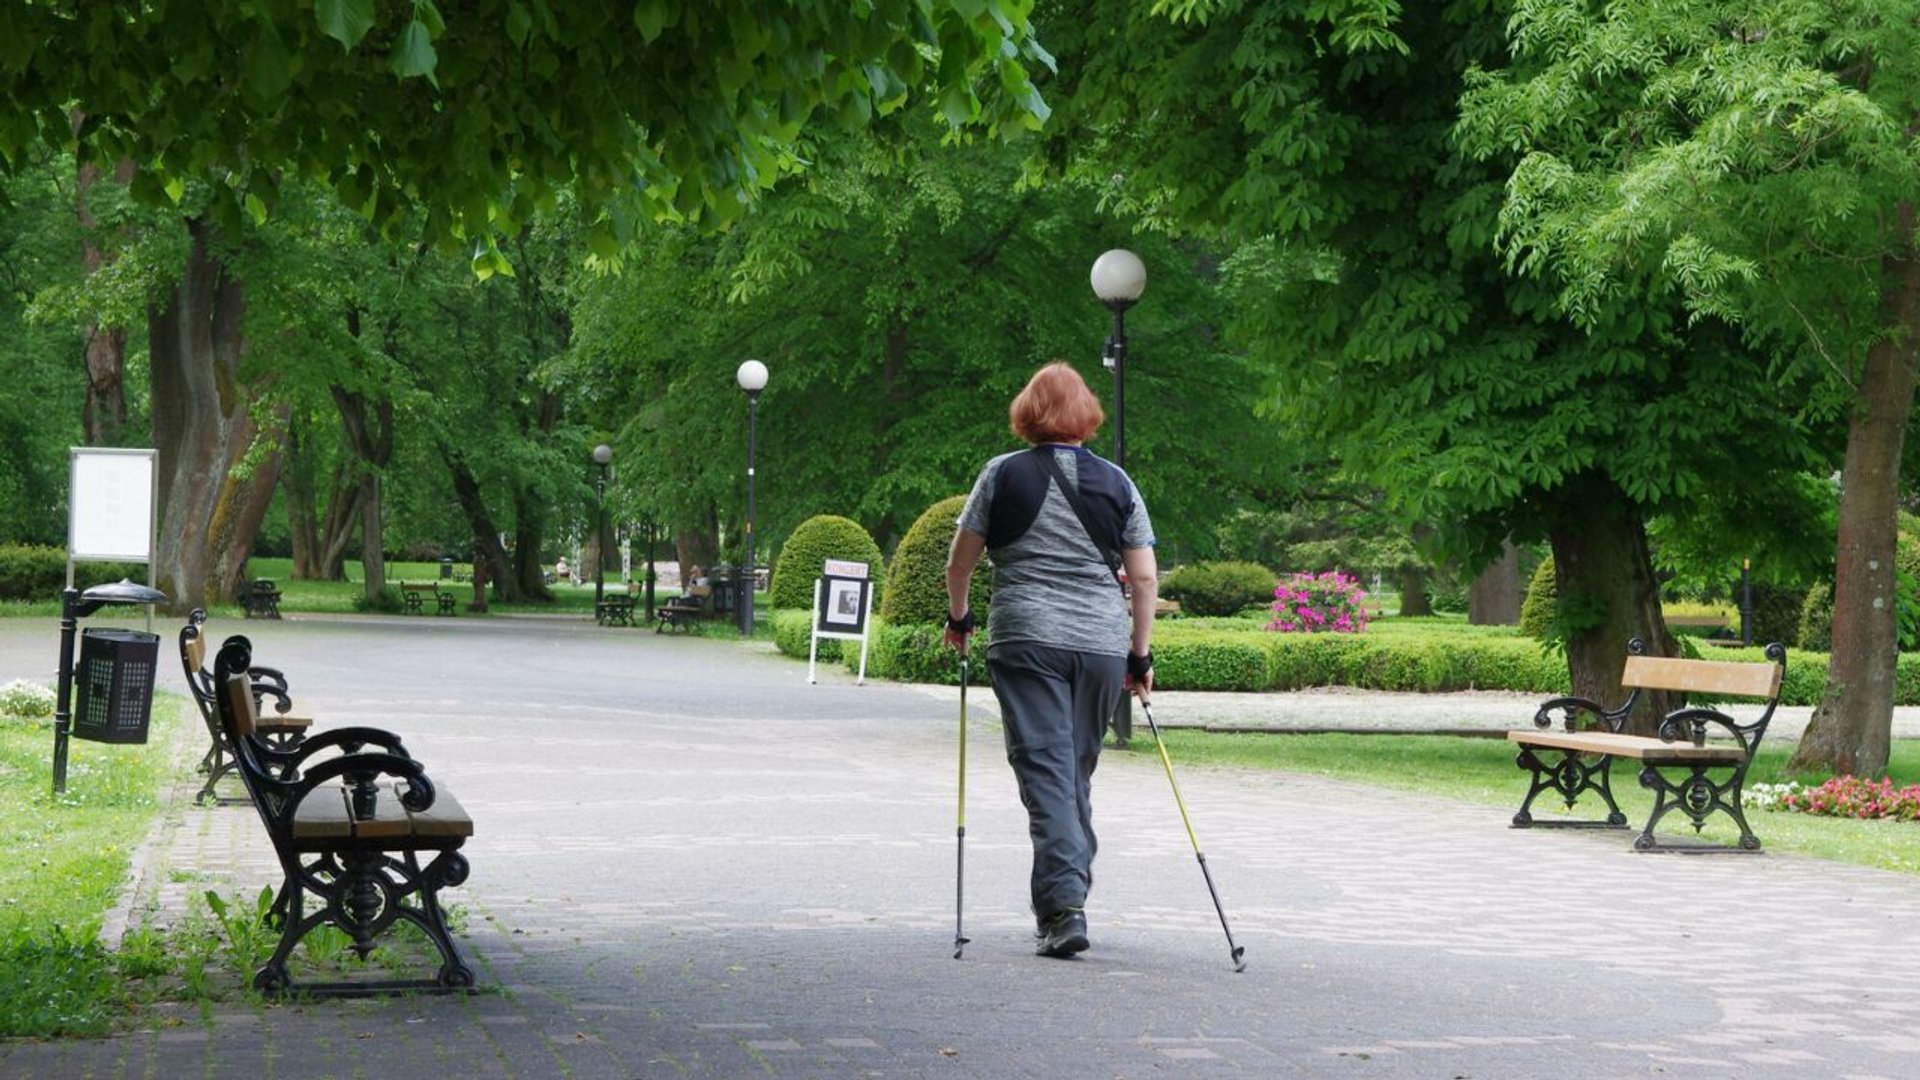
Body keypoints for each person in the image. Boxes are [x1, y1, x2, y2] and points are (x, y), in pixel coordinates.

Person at [943, 361, 1157, 959]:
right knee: (1071, 771)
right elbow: (1143, 578)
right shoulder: (1117, 482)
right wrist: (1138, 653)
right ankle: (1066, 898)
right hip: (1099, 645)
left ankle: (1065, 908)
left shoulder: (1001, 475)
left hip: (1026, 637)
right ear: (1086, 415)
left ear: (1028, 414)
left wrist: (959, 616)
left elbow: (959, 563)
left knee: (1048, 769)